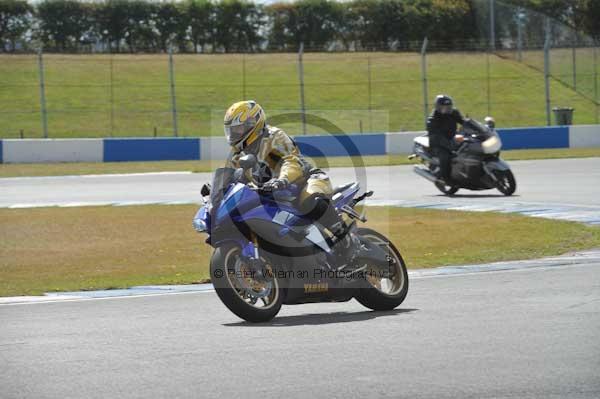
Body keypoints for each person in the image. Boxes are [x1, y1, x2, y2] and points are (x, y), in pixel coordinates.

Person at [223, 100, 349, 243]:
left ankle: (345, 240)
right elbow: (235, 178)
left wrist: (282, 179)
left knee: (312, 200)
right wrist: (219, 189)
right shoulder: (238, 155)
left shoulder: (273, 137)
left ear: (253, 123)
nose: (234, 133)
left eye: (238, 129)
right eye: (231, 130)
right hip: (273, 196)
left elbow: (290, 161)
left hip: (304, 181)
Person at [426, 95, 465, 183]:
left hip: (452, 138)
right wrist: (449, 145)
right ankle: (446, 178)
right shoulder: (432, 119)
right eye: (444, 107)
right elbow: (436, 136)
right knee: (446, 156)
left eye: (449, 107)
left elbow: (463, 121)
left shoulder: (453, 112)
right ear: (438, 107)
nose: (447, 109)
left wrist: (473, 126)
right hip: (437, 143)